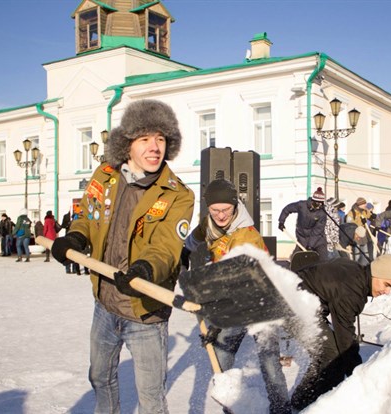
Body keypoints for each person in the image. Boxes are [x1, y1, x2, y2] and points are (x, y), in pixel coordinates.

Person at [50, 99, 194, 413]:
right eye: (145, 138)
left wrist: (145, 269)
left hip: (145, 311)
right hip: (105, 303)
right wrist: (75, 236)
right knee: (100, 378)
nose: (155, 147)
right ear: (127, 143)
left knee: (151, 399)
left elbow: (167, 246)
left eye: (160, 139)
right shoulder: (105, 176)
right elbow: (87, 217)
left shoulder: (178, 194)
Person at [184, 178, 290, 414]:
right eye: (215, 210)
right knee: (221, 358)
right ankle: (233, 408)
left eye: (226, 210)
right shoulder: (210, 223)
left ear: (235, 206)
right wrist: (185, 249)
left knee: (269, 361)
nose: (221, 215)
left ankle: (281, 410)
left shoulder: (245, 237)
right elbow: (198, 235)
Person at [290, 254, 391, 410]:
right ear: (377, 274)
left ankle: (302, 399)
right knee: (332, 355)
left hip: (300, 301)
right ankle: (320, 405)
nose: (388, 291)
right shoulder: (352, 289)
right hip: (292, 305)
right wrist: (356, 375)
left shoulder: (357, 275)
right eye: (387, 284)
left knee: (329, 353)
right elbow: (344, 335)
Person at [278, 187, 328, 259]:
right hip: (302, 238)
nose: (318, 207)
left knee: (323, 261)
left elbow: (317, 231)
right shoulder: (302, 205)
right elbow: (287, 209)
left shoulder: (322, 213)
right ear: (313, 201)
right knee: (296, 259)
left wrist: (310, 245)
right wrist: (281, 222)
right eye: (317, 204)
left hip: (318, 240)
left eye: (321, 204)